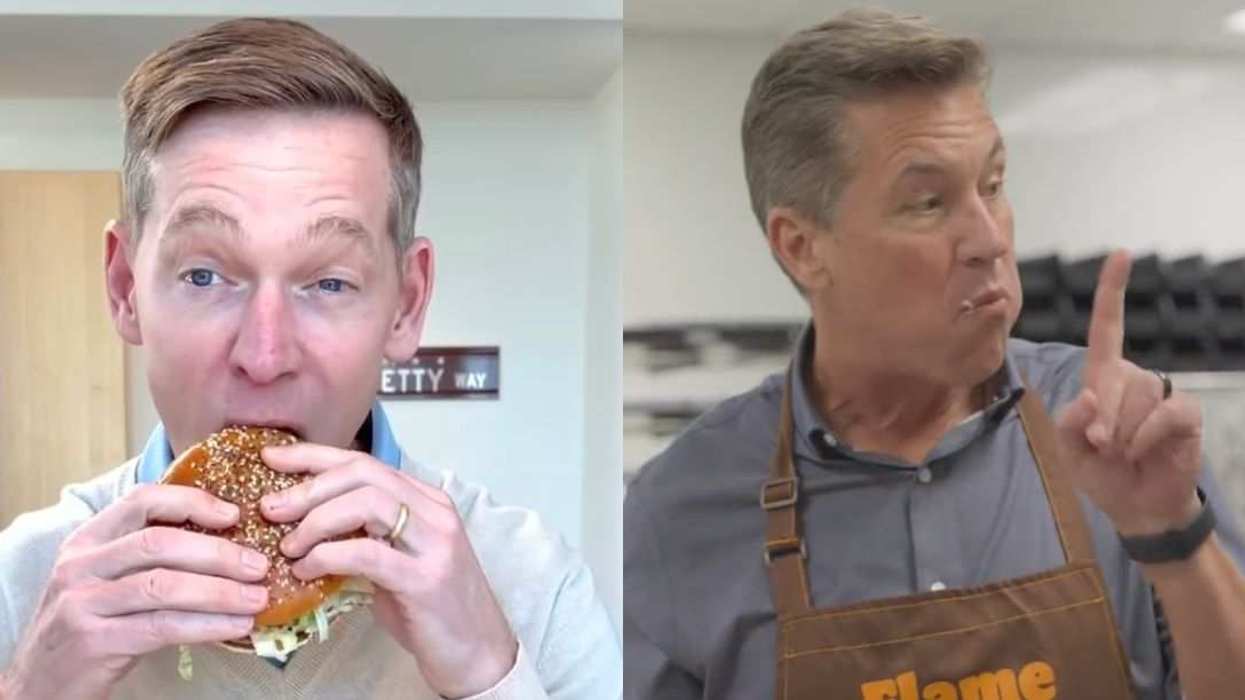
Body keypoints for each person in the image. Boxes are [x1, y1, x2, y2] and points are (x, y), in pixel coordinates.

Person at [624, 9, 1245, 699]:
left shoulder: (1112, 431)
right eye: (926, 202)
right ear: (801, 247)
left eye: (992, 185)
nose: (990, 240)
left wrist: (1174, 539)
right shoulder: (677, 512)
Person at [0, 17, 619, 700]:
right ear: (124, 289)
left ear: (407, 304)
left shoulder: (531, 580)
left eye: (328, 283)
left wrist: (491, 677)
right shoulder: (21, 580)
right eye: (205, 276)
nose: (265, 357)